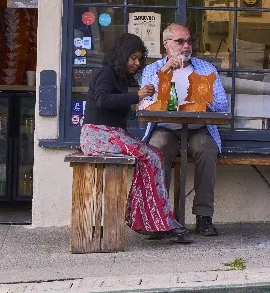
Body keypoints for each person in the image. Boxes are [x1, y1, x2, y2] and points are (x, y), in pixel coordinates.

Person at [80, 33, 191, 244]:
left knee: (152, 157)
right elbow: (102, 100)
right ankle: (156, 221)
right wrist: (137, 96)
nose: (136, 63)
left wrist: (164, 71)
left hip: (110, 134)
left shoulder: (121, 78)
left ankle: (150, 220)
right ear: (122, 56)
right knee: (154, 157)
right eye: (133, 58)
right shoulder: (105, 74)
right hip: (99, 135)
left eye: (139, 58)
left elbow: (153, 81)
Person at [139, 23, 230, 237]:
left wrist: (203, 102)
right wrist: (166, 71)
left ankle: (203, 216)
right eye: (180, 41)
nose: (186, 46)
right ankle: (159, 216)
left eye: (189, 41)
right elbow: (145, 104)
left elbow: (223, 106)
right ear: (166, 44)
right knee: (156, 148)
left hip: (198, 128)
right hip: (166, 127)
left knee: (207, 148)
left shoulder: (206, 69)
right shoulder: (153, 70)